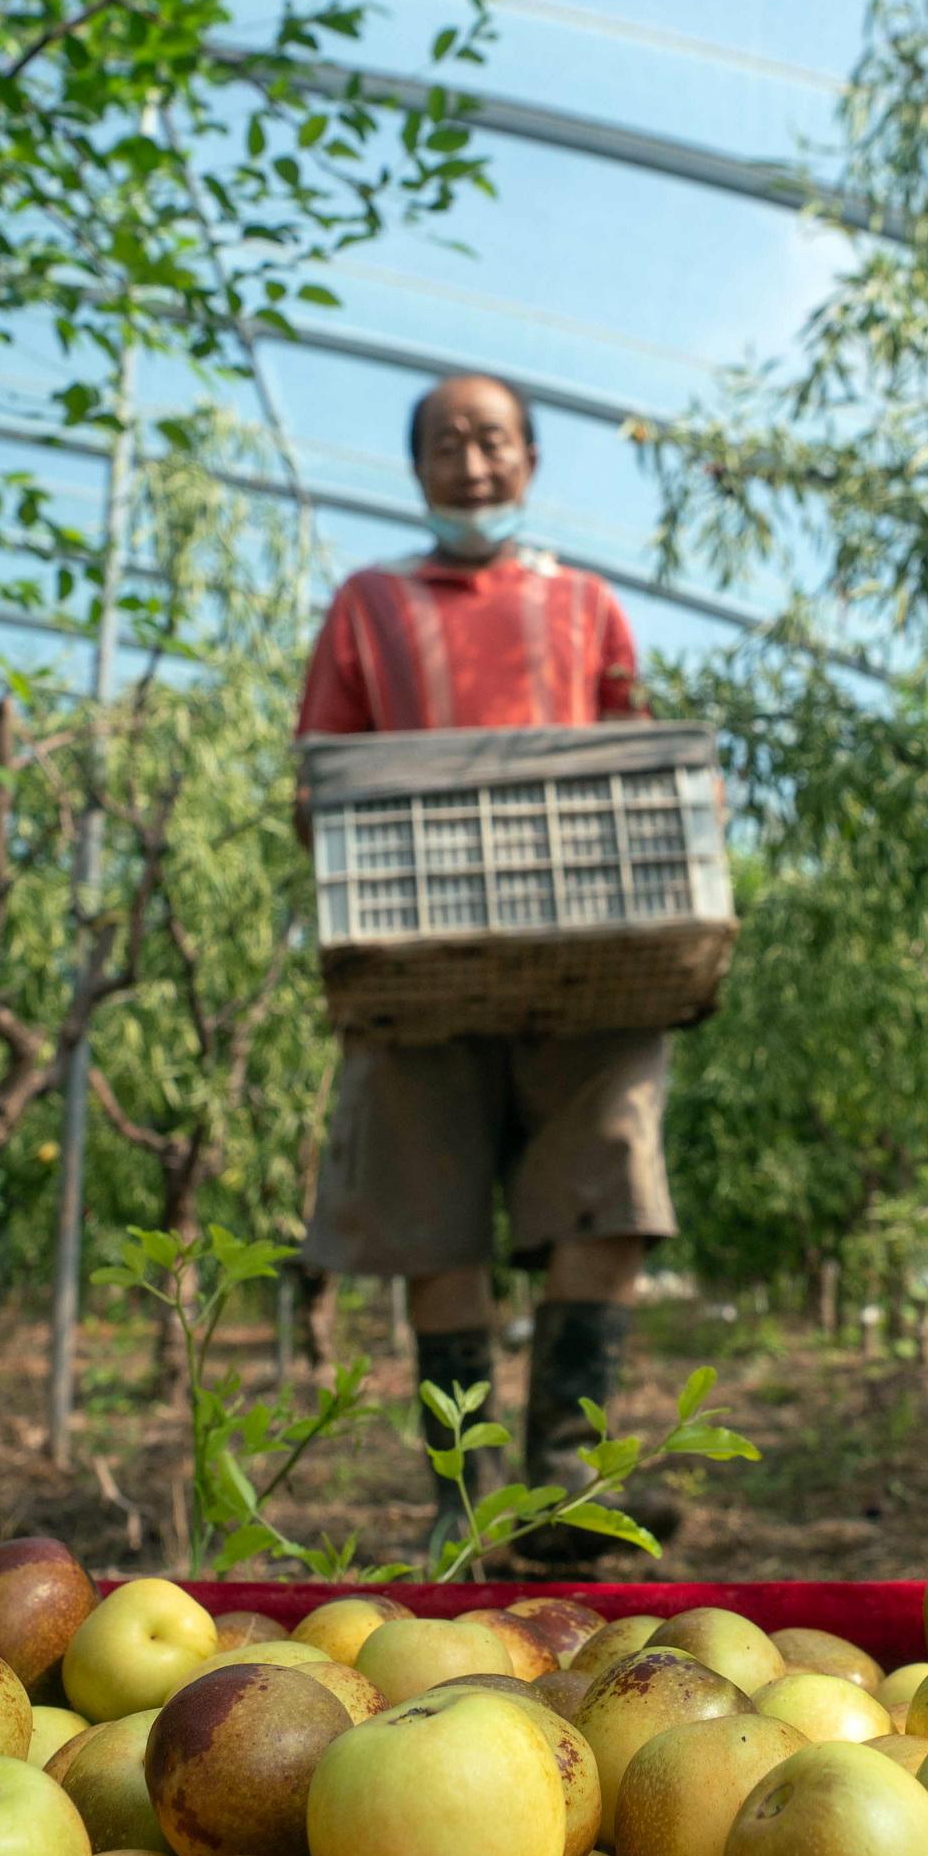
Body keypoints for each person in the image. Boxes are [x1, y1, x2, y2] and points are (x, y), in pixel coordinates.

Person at [295, 371, 675, 1564]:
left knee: (606, 1180)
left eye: (493, 439)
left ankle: (564, 1476)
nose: (472, 461)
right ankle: (462, 1495)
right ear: (416, 469)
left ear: (528, 462)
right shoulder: (368, 605)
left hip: (586, 956)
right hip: (421, 957)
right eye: (448, 442)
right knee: (432, 1219)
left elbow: (635, 757)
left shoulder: (585, 605)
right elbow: (322, 773)